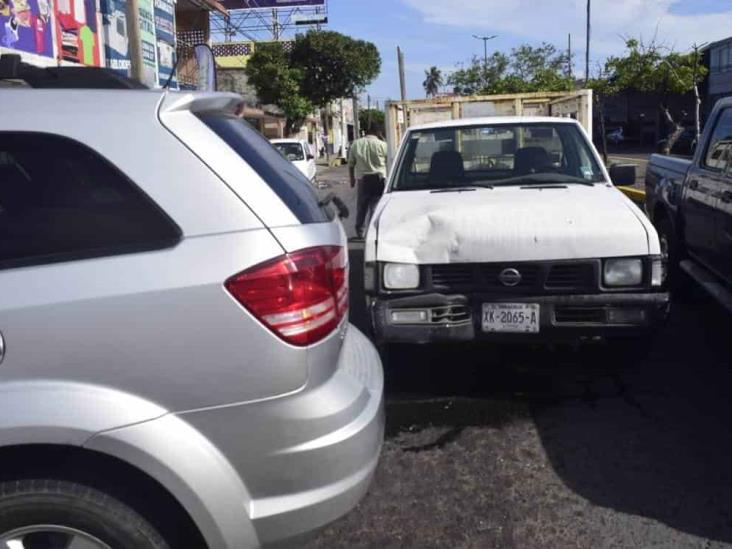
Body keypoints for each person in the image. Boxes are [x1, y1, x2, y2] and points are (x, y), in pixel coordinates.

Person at [348, 124, 387, 238]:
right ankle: (372, 231)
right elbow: (390, 159)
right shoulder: (383, 145)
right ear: (378, 133)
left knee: (361, 207)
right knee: (375, 207)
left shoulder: (356, 144)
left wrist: (352, 179)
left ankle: (360, 231)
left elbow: (351, 164)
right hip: (379, 178)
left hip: (363, 179)